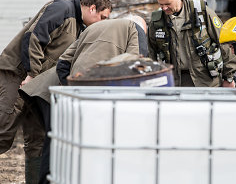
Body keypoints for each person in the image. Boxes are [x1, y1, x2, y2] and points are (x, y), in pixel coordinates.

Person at [0, 0, 112, 184]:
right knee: (2, 132)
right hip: (19, 75)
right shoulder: (62, 9)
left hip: (37, 83)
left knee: (37, 140)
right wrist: (31, 75)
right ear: (92, 8)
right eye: (102, 17)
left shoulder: (79, 26)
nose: (102, 23)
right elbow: (33, 38)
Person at [19, 15, 148, 184]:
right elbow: (137, 66)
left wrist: (73, 90)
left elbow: (63, 64)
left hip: (66, 95)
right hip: (93, 96)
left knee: (58, 142)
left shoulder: (93, 28)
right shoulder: (134, 28)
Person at [147, 0, 236, 87]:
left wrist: (229, 77)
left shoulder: (202, 13)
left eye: (167, 4)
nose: (164, 8)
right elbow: (150, 51)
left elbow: (224, 42)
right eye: (161, 5)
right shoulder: (157, 22)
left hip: (207, 80)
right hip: (176, 81)